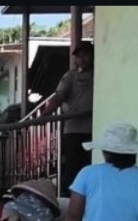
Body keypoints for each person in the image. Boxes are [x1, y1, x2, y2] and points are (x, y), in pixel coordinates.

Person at [41, 41, 94, 197]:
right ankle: (72, 200)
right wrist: (46, 113)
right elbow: (59, 96)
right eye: (79, 57)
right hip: (74, 130)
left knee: (89, 166)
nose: (82, 60)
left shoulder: (100, 75)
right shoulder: (71, 76)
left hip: (94, 129)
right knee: (73, 168)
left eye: (86, 55)